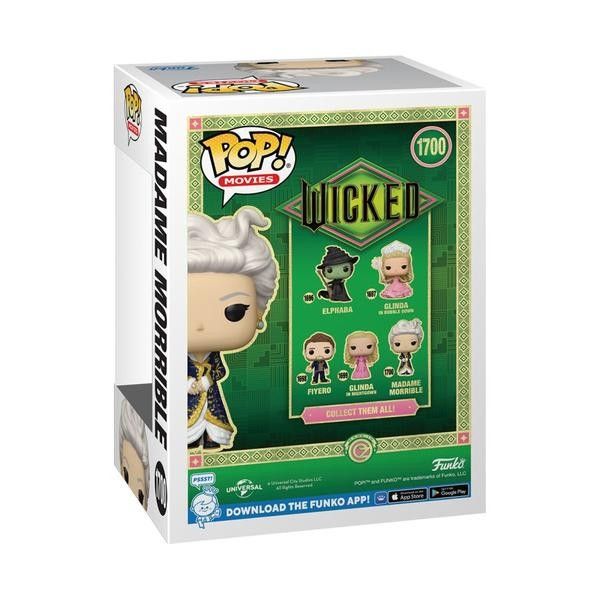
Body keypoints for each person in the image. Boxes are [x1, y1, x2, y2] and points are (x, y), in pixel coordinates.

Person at [187, 207, 279, 450]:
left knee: (212, 419)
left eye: (234, 312)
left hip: (207, 391)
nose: (201, 326)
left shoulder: (213, 356)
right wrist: (187, 384)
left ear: (258, 312)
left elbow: (219, 371)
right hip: (185, 397)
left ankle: (209, 439)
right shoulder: (178, 357)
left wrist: (206, 382)